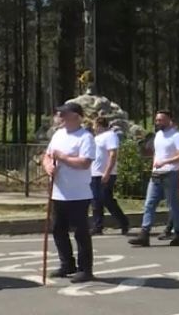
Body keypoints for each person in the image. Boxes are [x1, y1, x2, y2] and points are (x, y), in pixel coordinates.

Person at [43, 103, 97, 283]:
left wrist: (63, 158)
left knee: (80, 232)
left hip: (78, 193)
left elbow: (85, 163)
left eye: (64, 114)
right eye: (60, 114)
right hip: (58, 192)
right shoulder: (58, 134)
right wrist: (48, 166)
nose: (61, 117)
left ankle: (85, 269)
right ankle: (67, 263)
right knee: (58, 229)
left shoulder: (85, 137)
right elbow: (47, 155)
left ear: (76, 116)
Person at [129, 111, 179, 247]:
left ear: (169, 120)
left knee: (173, 205)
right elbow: (156, 153)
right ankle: (144, 234)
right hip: (156, 174)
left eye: (161, 120)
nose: (158, 123)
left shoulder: (176, 136)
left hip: (171, 174)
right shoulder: (158, 135)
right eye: (156, 120)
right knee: (149, 203)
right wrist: (154, 167)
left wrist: (166, 162)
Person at [90, 116, 129, 236]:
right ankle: (97, 226)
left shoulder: (110, 136)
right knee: (96, 201)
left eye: (94, 125)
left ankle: (123, 222)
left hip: (106, 173)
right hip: (94, 173)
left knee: (106, 199)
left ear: (99, 125)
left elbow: (112, 154)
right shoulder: (96, 138)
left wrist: (107, 172)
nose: (93, 128)